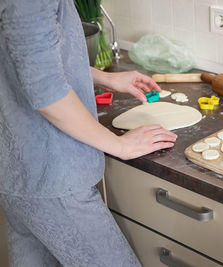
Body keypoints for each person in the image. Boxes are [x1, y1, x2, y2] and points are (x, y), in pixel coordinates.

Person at [0, 0, 177, 266]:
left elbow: (26, 59)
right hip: (53, 177)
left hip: (18, 171)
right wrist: (120, 146)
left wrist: (104, 78)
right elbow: (47, 93)